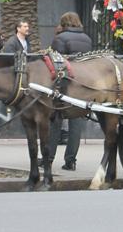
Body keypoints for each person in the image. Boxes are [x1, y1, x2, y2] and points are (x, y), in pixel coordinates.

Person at [50, 12, 93, 171]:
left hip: (65, 84)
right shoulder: (87, 38)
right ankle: (71, 161)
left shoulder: (60, 39)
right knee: (76, 124)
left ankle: (48, 157)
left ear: (63, 23)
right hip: (82, 84)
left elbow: (56, 62)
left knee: (55, 120)